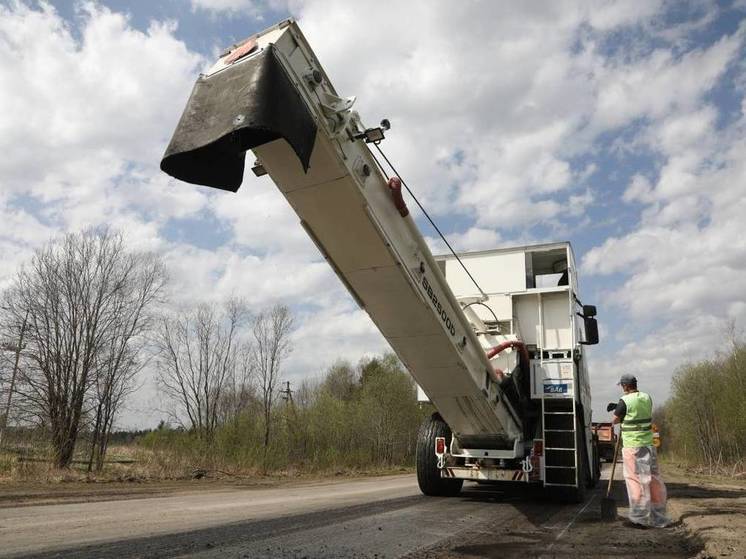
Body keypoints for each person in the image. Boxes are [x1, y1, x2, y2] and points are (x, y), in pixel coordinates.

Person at [611, 374, 671, 528]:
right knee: (654, 480)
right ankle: (660, 518)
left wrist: (619, 412)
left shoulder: (624, 400)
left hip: (633, 447)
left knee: (636, 480)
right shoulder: (647, 397)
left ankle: (639, 519)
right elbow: (639, 413)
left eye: (622, 386)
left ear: (625, 386)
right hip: (649, 445)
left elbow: (615, 420)